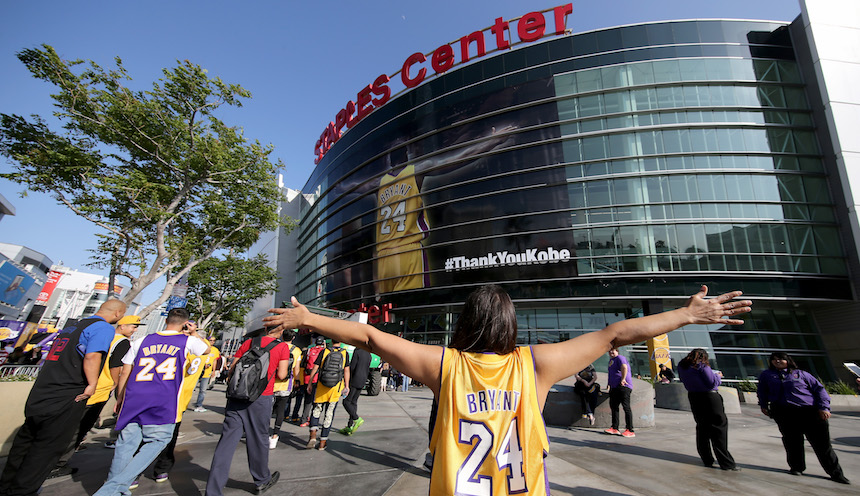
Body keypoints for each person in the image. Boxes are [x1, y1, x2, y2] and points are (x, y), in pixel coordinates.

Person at [264, 284, 750, 495]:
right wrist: (686, 314)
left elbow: (370, 335)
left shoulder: (445, 365)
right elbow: (615, 333)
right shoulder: (536, 365)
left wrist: (309, 318)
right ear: (509, 322)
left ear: (467, 323)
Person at [0, 299, 126, 496]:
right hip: (68, 393)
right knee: (48, 448)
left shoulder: (74, 326)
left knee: (25, 441)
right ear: (118, 314)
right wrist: (92, 384)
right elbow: (92, 356)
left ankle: (6, 485)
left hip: (43, 391)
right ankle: (22, 491)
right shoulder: (103, 328)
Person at [93, 308, 210, 496]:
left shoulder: (141, 341)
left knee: (125, 444)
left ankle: (117, 487)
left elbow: (126, 370)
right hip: (163, 400)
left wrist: (121, 396)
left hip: (135, 398)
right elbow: (207, 349)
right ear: (184, 323)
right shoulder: (186, 341)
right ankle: (112, 488)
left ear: (166, 321)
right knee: (159, 440)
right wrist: (194, 332)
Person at [204, 326, 291, 496]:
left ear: (265, 328)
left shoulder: (249, 342)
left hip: (237, 396)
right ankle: (262, 480)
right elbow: (281, 374)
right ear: (281, 330)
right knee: (258, 439)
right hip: (261, 396)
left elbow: (233, 368)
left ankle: (213, 491)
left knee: (226, 443)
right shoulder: (282, 347)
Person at [52, 315, 139, 476]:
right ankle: (59, 463)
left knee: (68, 425)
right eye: (133, 327)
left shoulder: (101, 336)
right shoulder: (122, 343)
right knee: (78, 428)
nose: (135, 330)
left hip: (80, 387)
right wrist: (115, 384)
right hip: (98, 390)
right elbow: (116, 366)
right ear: (122, 325)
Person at [757, 352, 850, 484]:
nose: (777, 361)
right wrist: (763, 405)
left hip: (809, 412)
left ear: (788, 360)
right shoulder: (767, 375)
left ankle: (835, 473)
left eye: (781, 359)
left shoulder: (801, 374)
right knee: (792, 442)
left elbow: (819, 390)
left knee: (822, 445)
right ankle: (796, 467)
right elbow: (762, 391)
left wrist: (824, 407)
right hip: (784, 412)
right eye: (774, 360)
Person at [677, 348, 739, 471]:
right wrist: (717, 376)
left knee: (702, 428)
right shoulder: (702, 366)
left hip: (694, 397)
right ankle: (726, 462)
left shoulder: (682, 366)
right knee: (718, 429)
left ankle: (707, 459)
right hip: (710, 397)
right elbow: (711, 383)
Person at [305, 338, 349, 451]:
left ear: (330, 341)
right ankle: (322, 442)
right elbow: (346, 371)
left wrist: (310, 383)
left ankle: (313, 434)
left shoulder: (324, 351)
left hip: (321, 385)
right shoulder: (345, 353)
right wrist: (346, 386)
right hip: (336, 387)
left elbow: (315, 368)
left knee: (316, 410)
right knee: (329, 414)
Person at [270, 329, 301, 449]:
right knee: (281, 410)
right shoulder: (296, 350)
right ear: (293, 338)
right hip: (286, 383)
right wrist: (297, 381)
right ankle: (275, 436)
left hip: (271, 383)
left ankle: (260, 432)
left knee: (267, 409)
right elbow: (296, 368)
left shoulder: (275, 346)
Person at [340, 346, 371, 435]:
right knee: (354, 402)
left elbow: (352, 367)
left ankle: (356, 418)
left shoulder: (357, 352)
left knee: (346, 402)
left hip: (354, 379)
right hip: (363, 380)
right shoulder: (369, 354)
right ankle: (350, 426)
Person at [605, 348, 635, 437]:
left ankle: (630, 430)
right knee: (614, 407)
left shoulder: (620, 358)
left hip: (623, 386)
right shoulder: (611, 360)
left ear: (617, 351)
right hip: (614, 387)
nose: (611, 352)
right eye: (609, 351)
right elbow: (611, 373)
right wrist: (609, 384)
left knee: (626, 407)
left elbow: (624, 367)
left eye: (613, 350)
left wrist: (623, 379)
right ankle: (615, 428)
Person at [192, 334, 220, 412]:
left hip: (207, 372)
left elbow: (215, 361)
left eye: (214, 341)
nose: (212, 342)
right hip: (197, 371)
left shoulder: (215, 350)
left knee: (203, 390)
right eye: (211, 340)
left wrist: (213, 371)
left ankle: (199, 405)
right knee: (191, 388)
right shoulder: (201, 347)